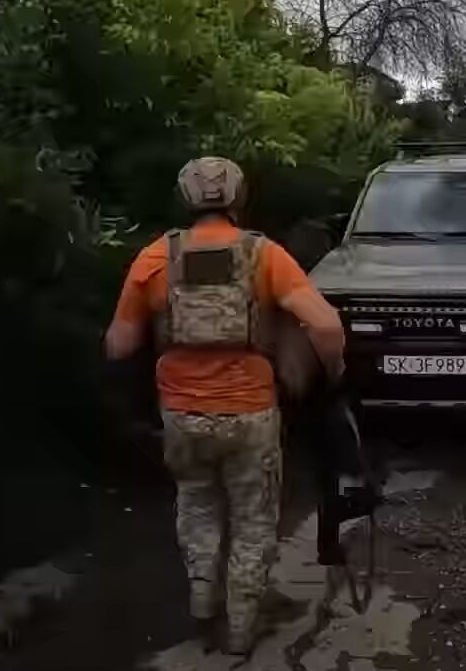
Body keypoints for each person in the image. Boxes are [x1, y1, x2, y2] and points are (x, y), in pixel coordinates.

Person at [103, 157, 346, 654]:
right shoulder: (263, 255)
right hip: (250, 413)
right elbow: (324, 326)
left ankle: (202, 600)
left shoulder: (156, 257)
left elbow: (118, 346)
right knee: (254, 518)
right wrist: (334, 372)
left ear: (185, 198)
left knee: (197, 503)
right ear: (238, 198)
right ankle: (241, 626)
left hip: (181, 415)